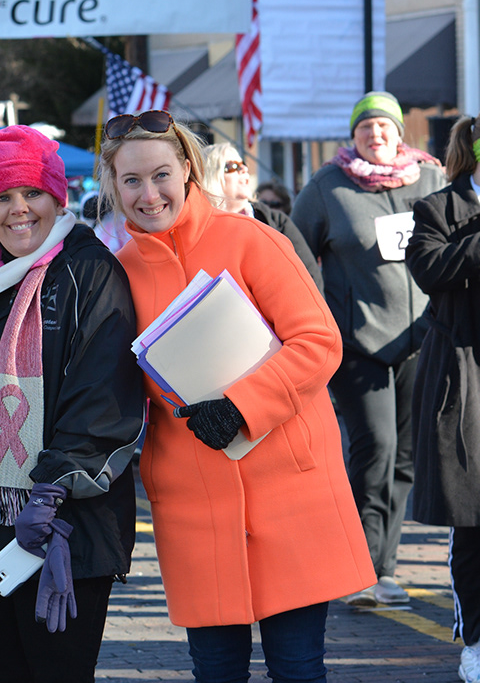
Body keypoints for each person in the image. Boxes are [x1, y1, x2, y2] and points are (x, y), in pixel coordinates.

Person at [99, 109, 373, 682]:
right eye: (131, 181)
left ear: (188, 173)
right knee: (216, 670)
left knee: (298, 668)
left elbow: (319, 341)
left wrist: (242, 405)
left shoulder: (250, 239)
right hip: (194, 501)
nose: (149, 194)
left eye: (161, 175)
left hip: (290, 493)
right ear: (113, 186)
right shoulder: (116, 272)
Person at [0, 126, 144, 681]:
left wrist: (52, 490)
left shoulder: (90, 270)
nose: (19, 210)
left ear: (58, 197)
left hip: (63, 522)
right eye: (1, 197)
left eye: (33, 193)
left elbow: (102, 394)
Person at [292, 90, 447, 606]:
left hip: (423, 341)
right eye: (365, 128)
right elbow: (292, 258)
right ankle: (358, 567)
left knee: (405, 456)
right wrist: (322, 318)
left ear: (399, 132)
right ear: (352, 136)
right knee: (373, 449)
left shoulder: (429, 178)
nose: (376, 134)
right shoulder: (328, 187)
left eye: (384, 126)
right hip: (358, 343)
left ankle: (383, 567)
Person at [404, 114, 480, 683]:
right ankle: (475, 638)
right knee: (473, 519)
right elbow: (431, 269)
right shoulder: (437, 210)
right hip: (465, 374)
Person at [202, 142, 323, 294]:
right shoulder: (199, 231)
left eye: (243, 164)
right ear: (211, 176)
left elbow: (310, 277)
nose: (244, 169)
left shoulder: (277, 222)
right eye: (233, 166)